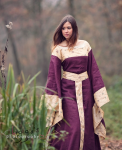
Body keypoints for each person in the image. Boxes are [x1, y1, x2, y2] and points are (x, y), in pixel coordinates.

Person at [43, 14, 110, 150]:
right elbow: (53, 75)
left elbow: (93, 70)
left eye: (69, 28)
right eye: (63, 28)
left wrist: (96, 93)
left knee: (87, 125)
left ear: (74, 29)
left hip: (86, 90)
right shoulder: (58, 49)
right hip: (68, 90)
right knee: (74, 127)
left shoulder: (85, 45)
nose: (66, 31)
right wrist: (54, 98)